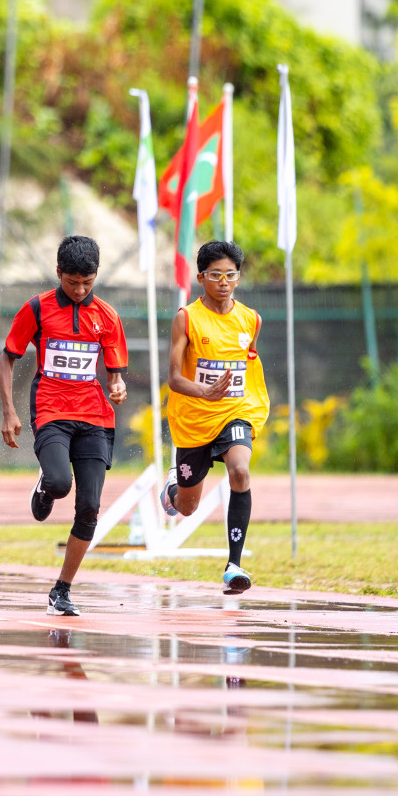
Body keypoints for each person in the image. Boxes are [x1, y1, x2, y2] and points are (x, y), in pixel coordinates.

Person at [0, 235, 128, 617]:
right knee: (59, 483)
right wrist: (8, 411)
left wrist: (117, 386)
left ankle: (62, 590)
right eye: (73, 282)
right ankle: (44, 483)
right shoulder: (37, 309)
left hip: (95, 418)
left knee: (89, 508)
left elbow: (115, 373)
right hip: (51, 409)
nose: (81, 289)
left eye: (88, 282)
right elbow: (7, 358)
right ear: (59, 273)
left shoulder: (107, 316)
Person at [160, 240, 268, 596]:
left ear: (238, 278)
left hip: (235, 411)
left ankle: (234, 565)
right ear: (201, 277)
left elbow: (249, 362)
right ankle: (173, 489)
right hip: (193, 418)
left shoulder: (251, 319)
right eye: (216, 275)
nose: (224, 282)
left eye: (231, 275)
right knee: (186, 508)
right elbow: (174, 378)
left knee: (240, 470)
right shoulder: (186, 318)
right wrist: (204, 391)